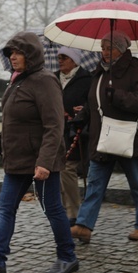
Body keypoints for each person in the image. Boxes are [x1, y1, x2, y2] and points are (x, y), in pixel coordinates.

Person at [0, 31, 77, 273]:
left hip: (40, 161)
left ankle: (68, 257)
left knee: (53, 209)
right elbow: (14, 120)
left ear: (30, 54)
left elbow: (54, 126)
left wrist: (45, 162)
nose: (13, 57)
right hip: (17, 160)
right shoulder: (17, 81)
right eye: (10, 53)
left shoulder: (45, 81)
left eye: (17, 52)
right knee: (5, 209)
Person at [70, 30, 138, 243]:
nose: (104, 52)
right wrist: (82, 116)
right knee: (95, 184)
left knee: (137, 185)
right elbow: (94, 101)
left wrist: (117, 96)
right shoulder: (99, 73)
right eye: (102, 47)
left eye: (108, 47)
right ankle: (83, 225)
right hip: (103, 138)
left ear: (121, 49)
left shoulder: (134, 70)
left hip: (130, 138)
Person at [55, 46, 92, 225]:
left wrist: (83, 110)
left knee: (68, 168)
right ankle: (63, 209)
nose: (60, 60)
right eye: (59, 57)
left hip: (76, 132)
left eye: (64, 57)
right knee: (58, 169)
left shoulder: (87, 79)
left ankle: (74, 211)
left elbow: (92, 102)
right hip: (55, 131)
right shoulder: (53, 78)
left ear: (75, 60)